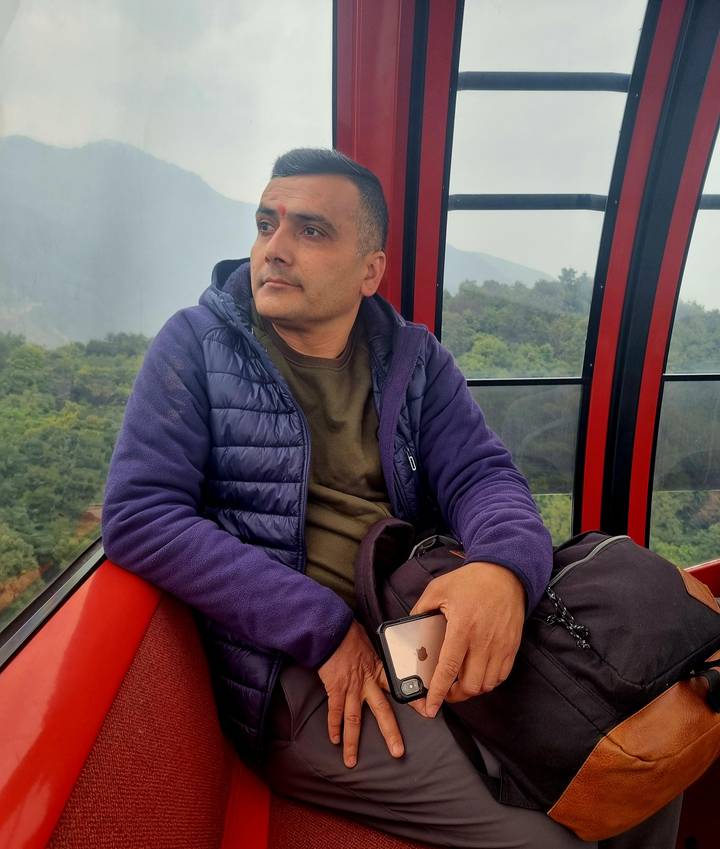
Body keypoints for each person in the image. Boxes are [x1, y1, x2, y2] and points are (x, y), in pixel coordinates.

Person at [102, 148, 681, 848]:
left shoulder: (412, 358)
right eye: (265, 225)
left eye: (311, 231)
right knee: (545, 839)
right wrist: (321, 626)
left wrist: (501, 569)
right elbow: (140, 516)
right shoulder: (196, 347)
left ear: (369, 270)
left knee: (646, 759)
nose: (274, 250)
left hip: (416, 620)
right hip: (298, 669)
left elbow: (483, 477)